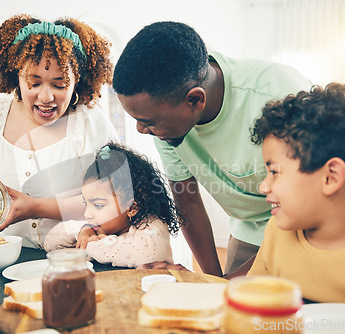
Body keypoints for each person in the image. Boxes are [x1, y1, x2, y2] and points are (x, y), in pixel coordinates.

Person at [112, 21, 312, 276]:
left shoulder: (278, 95)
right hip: (248, 230)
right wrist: (212, 281)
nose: (141, 129)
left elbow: (311, 203)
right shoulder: (166, 123)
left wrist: (228, 285)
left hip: (308, 226)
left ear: (195, 100)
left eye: (148, 122)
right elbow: (187, 200)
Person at [0, 14, 120, 248]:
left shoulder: (90, 122)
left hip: (76, 259)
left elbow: (115, 199)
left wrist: (34, 207)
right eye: (34, 83)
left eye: (59, 84)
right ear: (16, 77)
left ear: (77, 82)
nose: (46, 97)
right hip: (4, 260)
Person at [245, 82, 345, 306]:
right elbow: (251, 306)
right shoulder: (277, 234)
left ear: (330, 177)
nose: (263, 186)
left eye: (274, 172)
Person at [43, 142, 184, 268]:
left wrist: (87, 247)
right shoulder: (97, 228)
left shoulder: (151, 224)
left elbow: (148, 254)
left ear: (133, 207)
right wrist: (82, 230)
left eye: (98, 205)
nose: (87, 214)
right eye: (86, 204)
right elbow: (49, 241)